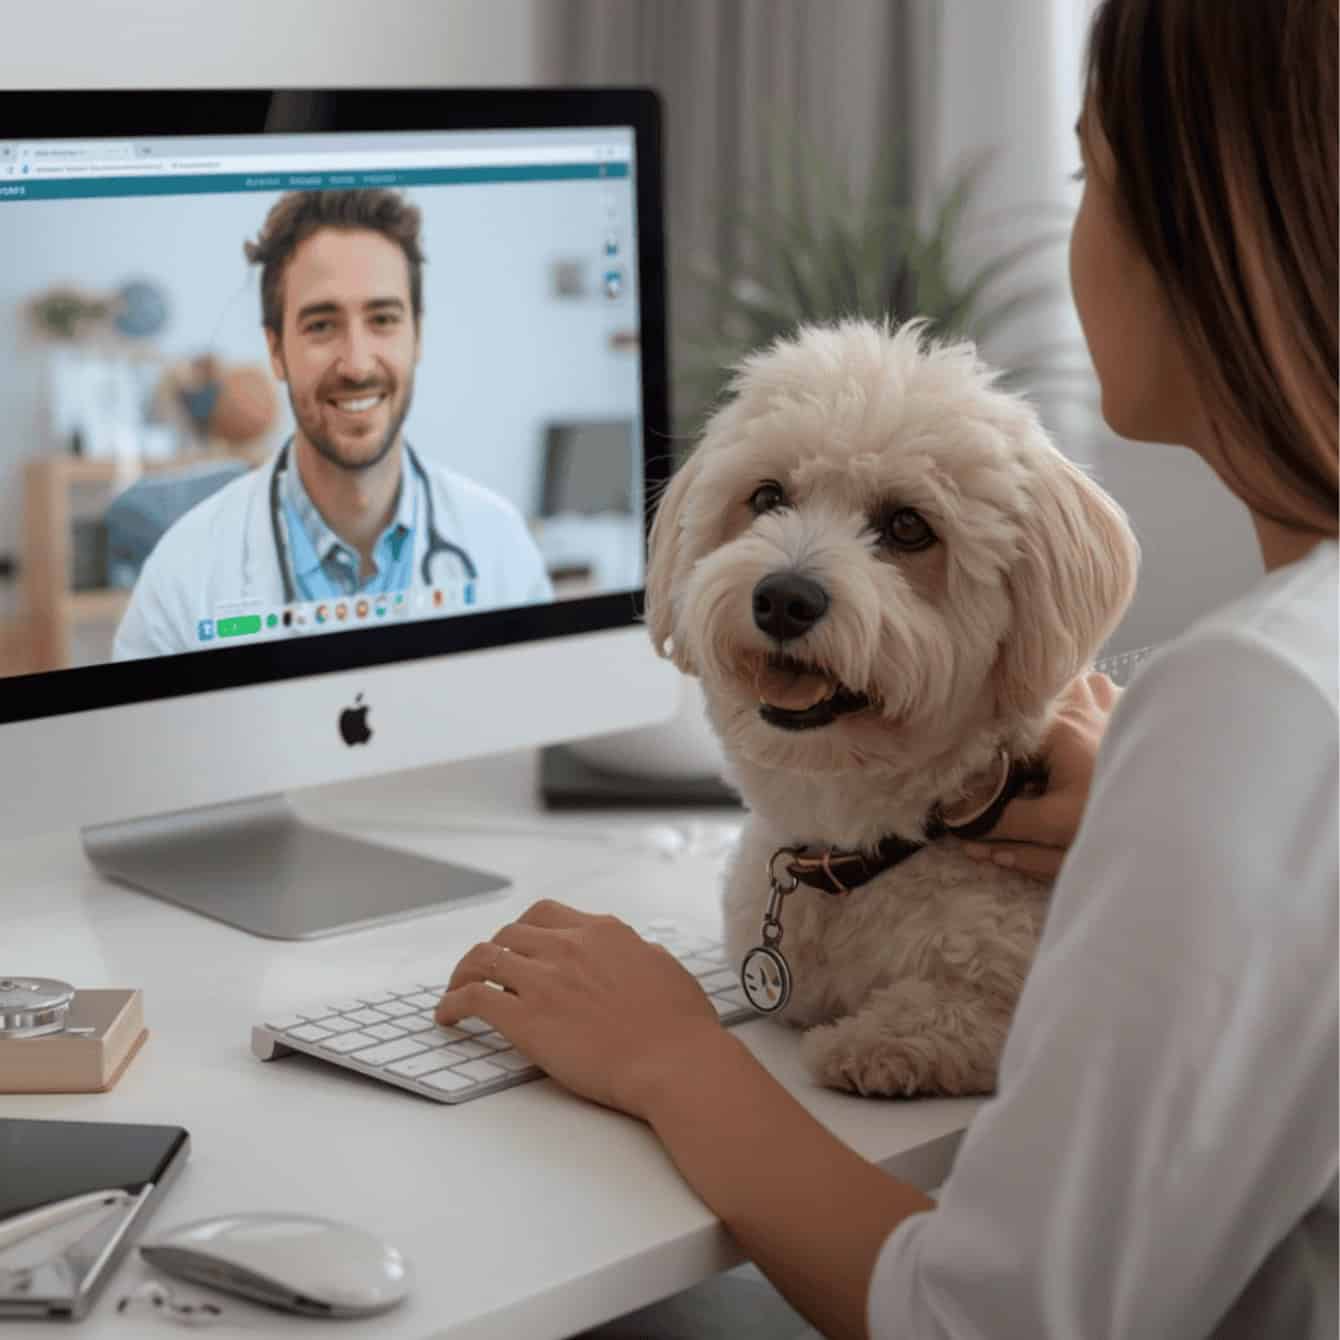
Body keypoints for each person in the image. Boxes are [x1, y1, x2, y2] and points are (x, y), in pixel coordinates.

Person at [434, 1, 1338, 1335]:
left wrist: (675, 1059)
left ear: (1220, 227)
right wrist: (1163, 831)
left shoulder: (1256, 701)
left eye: (1094, 172)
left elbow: (990, 1323)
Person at [114, 189, 552, 660]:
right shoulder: (182, 572)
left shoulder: (500, 545)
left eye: (382, 319)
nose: (357, 365)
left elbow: (541, 721)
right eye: (322, 325)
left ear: (417, 336)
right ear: (276, 350)